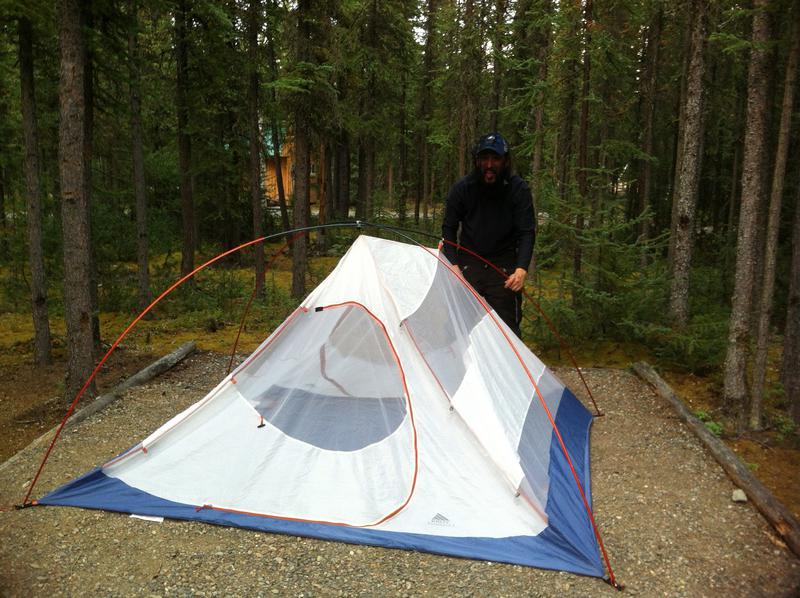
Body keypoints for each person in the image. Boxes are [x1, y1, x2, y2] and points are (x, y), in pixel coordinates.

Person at [441, 132, 536, 338]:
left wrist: (521, 269)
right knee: (460, 330)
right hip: (469, 265)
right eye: (484, 159)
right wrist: (454, 267)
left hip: (503, 268)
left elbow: (527, 231)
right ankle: (461, 370)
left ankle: (510, 370)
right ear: (477, 161)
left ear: (505, 161)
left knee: (507, 334)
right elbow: (448, 229)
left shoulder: (518, 189)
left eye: (495, 159)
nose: (489, 164)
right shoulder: (462, 189)